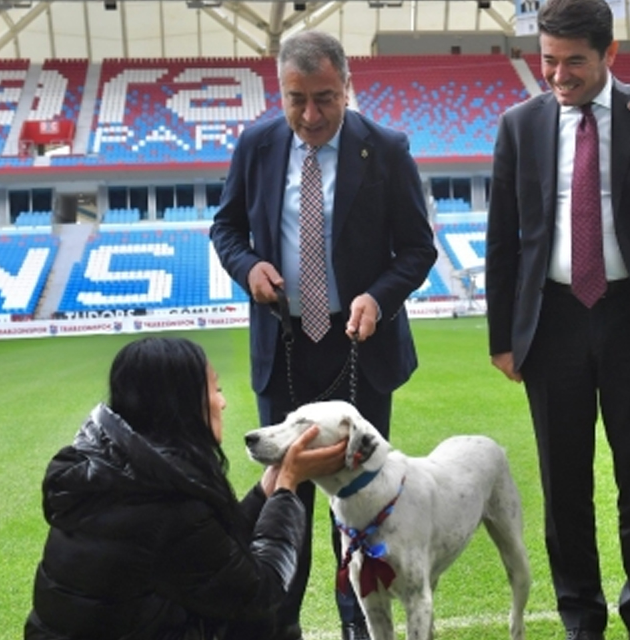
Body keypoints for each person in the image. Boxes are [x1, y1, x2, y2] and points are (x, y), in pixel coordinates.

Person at [485, 0, 630, 638]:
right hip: (551, 322)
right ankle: (580, 616)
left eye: (574, 62)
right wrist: (503, 337)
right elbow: (503, 239)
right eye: (548, 60)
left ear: (610, 54)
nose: (558, 75)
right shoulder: (518, 125)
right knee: (564, 486)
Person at [209, 29, 437, 640]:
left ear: (347, 86)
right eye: (296, 99)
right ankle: (277, 624)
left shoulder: (386, 149)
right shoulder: (256, 144)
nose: (310, 115)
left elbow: (418, 248)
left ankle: (357, 626)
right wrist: (248, 267)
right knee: (285, 494)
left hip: (360, 347)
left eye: (326, 99)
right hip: (283, 347)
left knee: (361, 504)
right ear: (278, 91)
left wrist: (377, 297)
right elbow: (226, 229)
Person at [25, 337, 348, 640]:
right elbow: (261, 593)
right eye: (215, 389)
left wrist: (269, 486)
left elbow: (212, 549)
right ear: (182, 404)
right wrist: (287, 488)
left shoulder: (118, 472)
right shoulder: (164, 502)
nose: (222, 402)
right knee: (265, 624)